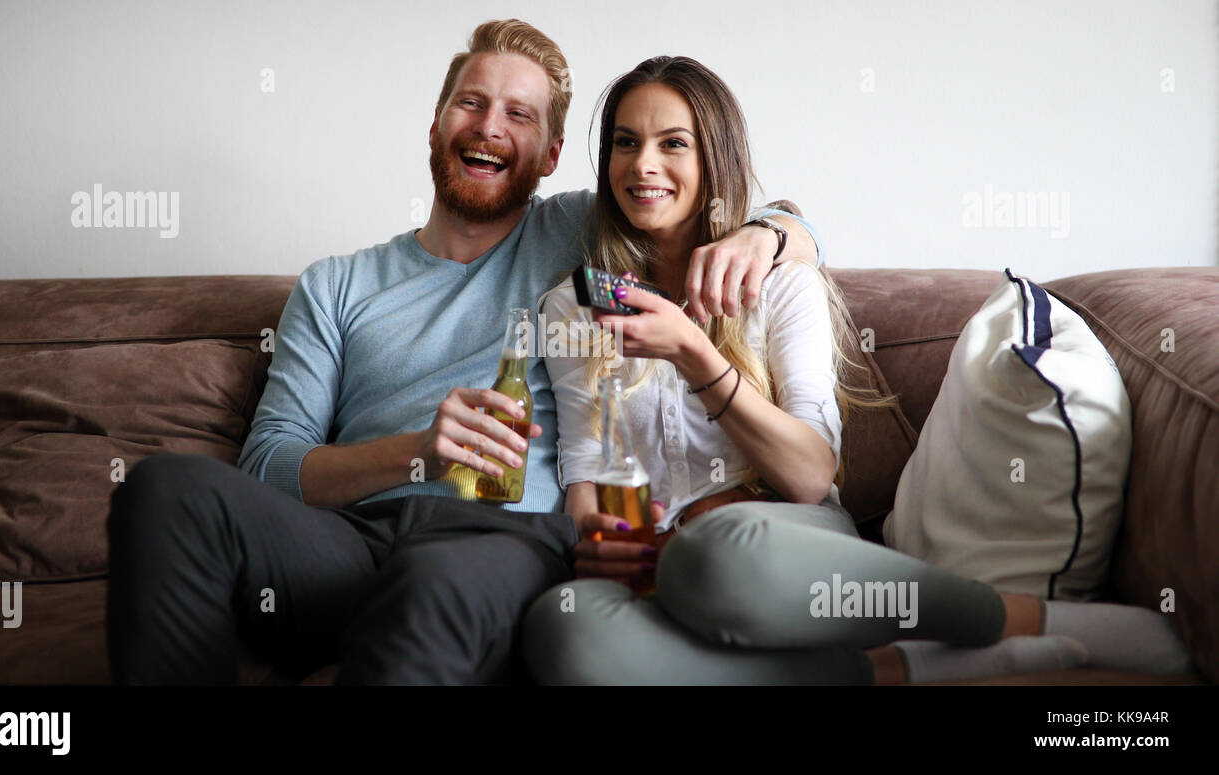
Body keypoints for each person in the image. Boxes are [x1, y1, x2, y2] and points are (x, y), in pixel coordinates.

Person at [105, 20, 816, 685]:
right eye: (470, 104)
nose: (488, 126)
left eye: (519, 115)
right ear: (437, 124)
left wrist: (772, 231)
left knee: (429, 588)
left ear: (552, 156)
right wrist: (418, 451)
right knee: (166, 487)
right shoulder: (335, 285)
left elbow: (719, 199)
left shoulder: (582, 230)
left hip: (502, 541)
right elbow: (267, 464)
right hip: (344, 541)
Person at [521, 55, 1195, 684]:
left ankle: (1009, 617)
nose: (644, 164)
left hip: (774, 544)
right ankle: (900, 666)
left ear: (714, 158)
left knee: (716, 557)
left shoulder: (780, 281)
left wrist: (697, 356)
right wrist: (605, 542)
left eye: (674, 143)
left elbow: (811, 475)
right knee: (565, 630)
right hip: (661, 561)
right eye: (625, 142)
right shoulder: (573, 306)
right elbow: (588, 473)